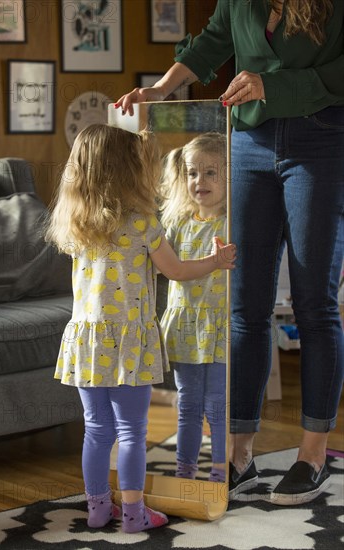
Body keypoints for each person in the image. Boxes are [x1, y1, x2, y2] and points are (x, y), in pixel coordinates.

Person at [115, 0, 344, 505]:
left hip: (323, 140)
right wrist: (159, 89)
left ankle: (312, 454)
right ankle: (239, 453)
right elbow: (210, 44)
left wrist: (273, 85)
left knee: (314, 303)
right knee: (244, 306)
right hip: (249, 141)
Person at [45, 123, 236, 532]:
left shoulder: (75, 223)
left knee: (96, 430)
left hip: (88, 338)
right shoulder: (142, 222)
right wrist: (216, 262)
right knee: (132, 431)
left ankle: (97, 508)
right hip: (129, 339)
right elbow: (178, 271)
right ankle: (134, 513)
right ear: (127, 171)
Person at [159, 133, 228, 483]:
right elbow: (159, 264)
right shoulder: (176, 225)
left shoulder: (233, 224)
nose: (199, 181)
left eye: (210, 173)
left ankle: (220, 471)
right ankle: (184, 469)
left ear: (229, 176)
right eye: (192, 173)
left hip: (221, 329)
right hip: (185, 327)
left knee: (218, 405)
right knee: (188, 404)